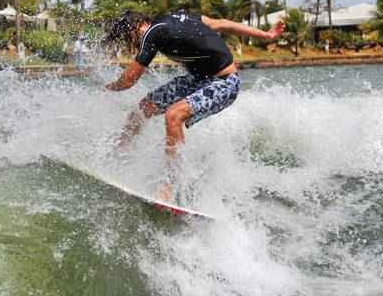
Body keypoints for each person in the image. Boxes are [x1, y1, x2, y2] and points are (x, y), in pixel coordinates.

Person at [105, 10, 284, 200]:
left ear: (134, 27)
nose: (130, 42)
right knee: (142, 110)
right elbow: (222, 23)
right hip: (198, 80)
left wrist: (108, 88)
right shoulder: (177, 17)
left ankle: (169, 184)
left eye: (126, 37)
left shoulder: (152, 33)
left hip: (224, 83)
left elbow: (129, 80)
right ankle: (117, 156)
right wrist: (266, 35)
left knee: (173, 116)